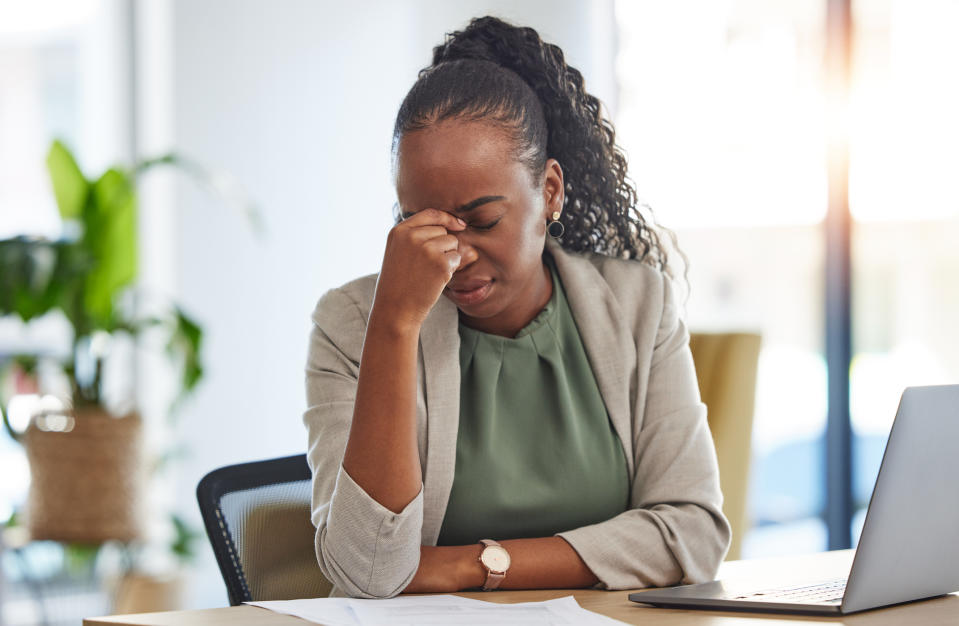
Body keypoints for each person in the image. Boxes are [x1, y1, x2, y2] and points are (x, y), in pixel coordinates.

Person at [303, 16, 730, 599]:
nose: (454, 257)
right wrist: (395, 328)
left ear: (549, 191)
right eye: (421, 225)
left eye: (483, 221)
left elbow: (693, 533)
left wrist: (470, 566)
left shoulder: (637, 306)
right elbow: (369, 572)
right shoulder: (352, 324)